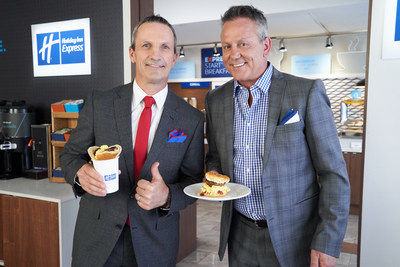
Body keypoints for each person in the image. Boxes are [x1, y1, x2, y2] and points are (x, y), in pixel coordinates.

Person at [205, 5, 350, 267]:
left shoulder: (305, 92)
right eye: (226, 46)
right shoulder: (216, 100)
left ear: (265, 45)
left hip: (294, 236)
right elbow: (215, 158)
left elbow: (333, 174)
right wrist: (213, 179)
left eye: (243, 44)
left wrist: (327, 240)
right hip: (239, 234)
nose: (233, 54)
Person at [60, 15, 204, 267]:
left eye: (164, 47)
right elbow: (70, 155)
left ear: (173, 56)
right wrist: (80, 173)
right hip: (96, 240)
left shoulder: (191, 119)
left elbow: (193, 183)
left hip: (155, 244)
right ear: (132, 53)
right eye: (146, 45)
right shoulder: (99, 102)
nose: (155, 55)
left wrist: (168, 196)